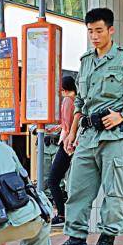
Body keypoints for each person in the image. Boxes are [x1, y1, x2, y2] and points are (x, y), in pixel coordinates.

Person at [52, 8, 123, 245]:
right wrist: (71, 134)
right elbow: (80, 103)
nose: (94, 36)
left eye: (99, 30)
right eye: (90, 31)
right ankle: (75, 241)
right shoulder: (85, 61)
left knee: (114, 192)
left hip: (113, 137)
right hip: (87, 136)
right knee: (77, 189)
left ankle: (106, 241)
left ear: (111, 30)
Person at [47, 76, 77, 227]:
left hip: (67, 144)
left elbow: (67, 126)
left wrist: (62, 134)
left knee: (52, 180)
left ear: (63, 88)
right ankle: (65, 212)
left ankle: (61, 214)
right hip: (77, 144)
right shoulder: (77, 100)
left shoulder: (67, 101)